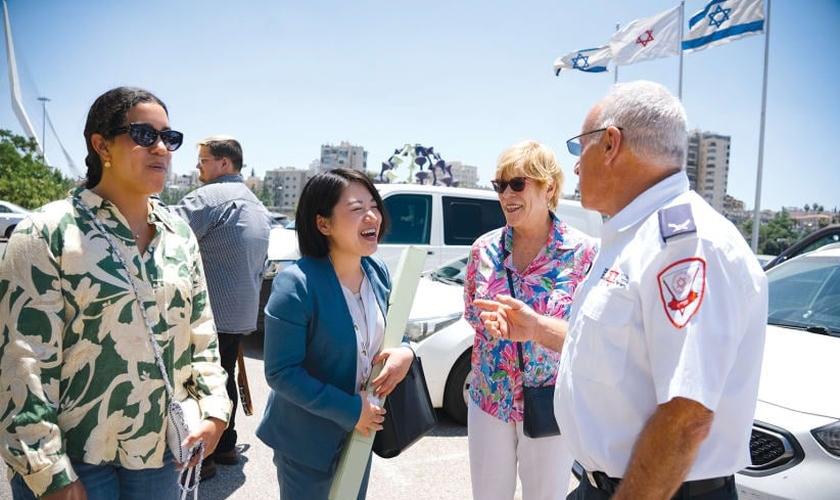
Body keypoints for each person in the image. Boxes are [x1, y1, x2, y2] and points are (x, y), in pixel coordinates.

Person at [476, 81, 768, 500]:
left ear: (611, 144)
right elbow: (620, 351)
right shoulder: (632, 238)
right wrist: (539, 328)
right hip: (604, 485)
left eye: (580, 149)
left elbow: (686, 416)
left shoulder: (686, 245)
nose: (574, 168)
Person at [0, 87, 231, 500]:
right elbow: (23, 362)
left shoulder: (179, 235)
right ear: (101, 145)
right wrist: (47, 470)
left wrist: (214, 410)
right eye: (144, 135)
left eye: (169, 138)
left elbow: (201, 331)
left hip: (161, 455)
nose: (161, 147)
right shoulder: (47, 232)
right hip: (75, 460)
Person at [256, 168, 415, 500]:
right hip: (306, 444)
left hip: (361, 434)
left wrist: (405, 351)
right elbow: (281, 372)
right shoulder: (295, 284)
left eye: (374, 205)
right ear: (323, 224)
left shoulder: (377, 271)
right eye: (357, 209)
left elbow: (392, 333)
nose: (372, 215)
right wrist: (351, 410)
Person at [464, 140, 598, 500]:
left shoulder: (585, 253)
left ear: (548, 187)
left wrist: (536, 327)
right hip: (489, 399)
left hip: (549, 403)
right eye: (500, 185)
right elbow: (472, 317)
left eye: (517, 183)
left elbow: (592, 338)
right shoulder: (483, 250)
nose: (506, 193)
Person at [171, 135, 271, 477]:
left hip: (207, 313)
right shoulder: (257, 205)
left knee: (197, 383)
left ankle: (205, 456)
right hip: (241, 311)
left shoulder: (208, 197)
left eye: (203, 160)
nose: (197, 166)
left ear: (224, 163)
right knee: (222, 375)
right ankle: (226, 446)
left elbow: (164, 234)